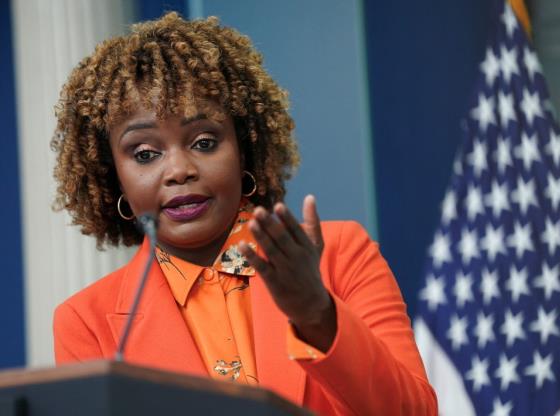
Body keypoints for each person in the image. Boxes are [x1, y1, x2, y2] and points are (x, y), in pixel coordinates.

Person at [51, 12, 437, 415]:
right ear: (115, 180)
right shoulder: (87, 321)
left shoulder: (340, 254)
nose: (180, 169)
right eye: (145, 154)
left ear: (244, 150)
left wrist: (316, 314)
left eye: (204, 142)